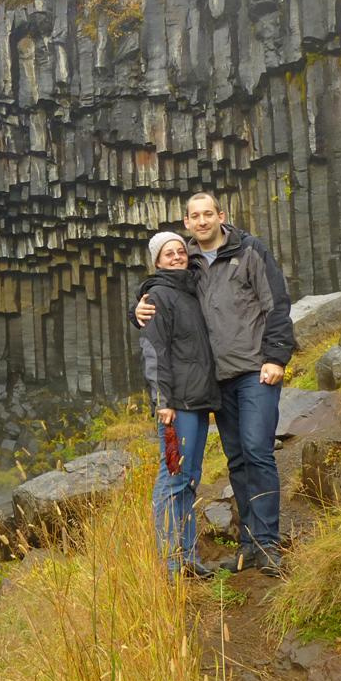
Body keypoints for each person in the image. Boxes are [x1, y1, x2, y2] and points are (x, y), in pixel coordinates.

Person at [134, 193, 295, 576]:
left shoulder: (249, 249)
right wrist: (135, 307)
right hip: (217, 380)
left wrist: (276, 357)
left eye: (209, 213)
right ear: (187, 222)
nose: (202, 220)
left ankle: (268, 543)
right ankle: (249, 545)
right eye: (195, 216)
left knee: (257, 451)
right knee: (237, 458)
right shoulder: (188, 263)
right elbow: (162, 293)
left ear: (221, 216)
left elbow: (277, 302)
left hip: (255, 369)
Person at [139, 230, 221, 581]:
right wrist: (163, 401)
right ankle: (171, 564)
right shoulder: (158, 294)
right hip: (177, 404)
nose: (176, 256)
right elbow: (153, 351)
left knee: (188, 480)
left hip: (197, 399)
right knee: (173, 479)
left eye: (179, 251)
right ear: (156, 262)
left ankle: (189, 559)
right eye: (168, 254)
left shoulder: (190, 291)